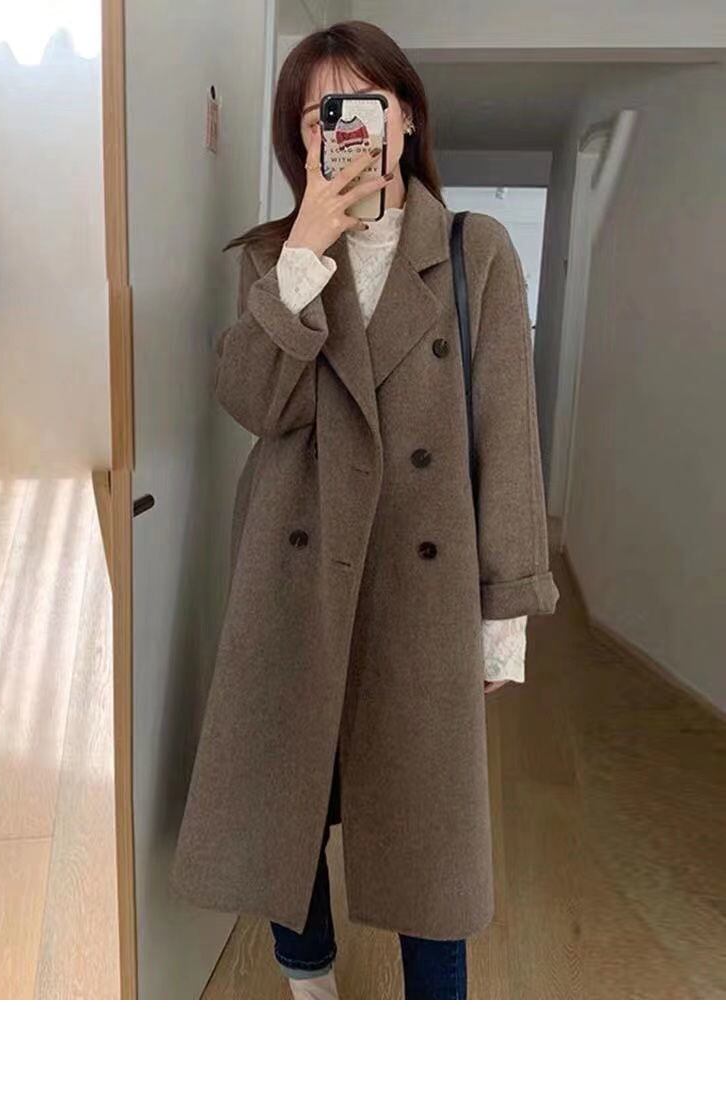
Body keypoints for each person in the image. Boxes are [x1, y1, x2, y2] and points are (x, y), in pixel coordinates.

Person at [169, 20, 559, 1000]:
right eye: (319, 116)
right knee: (284, 794)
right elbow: (256, 402)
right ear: (300, 138)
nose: (343, 130)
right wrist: (307, 248)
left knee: (429, 829)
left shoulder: (475, 252)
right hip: (295, 567)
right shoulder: (275, 257)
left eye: (362, 105)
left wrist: (505, 609)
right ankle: (310, 984)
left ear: (407, 115)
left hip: (420, 584)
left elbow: (507, 433)